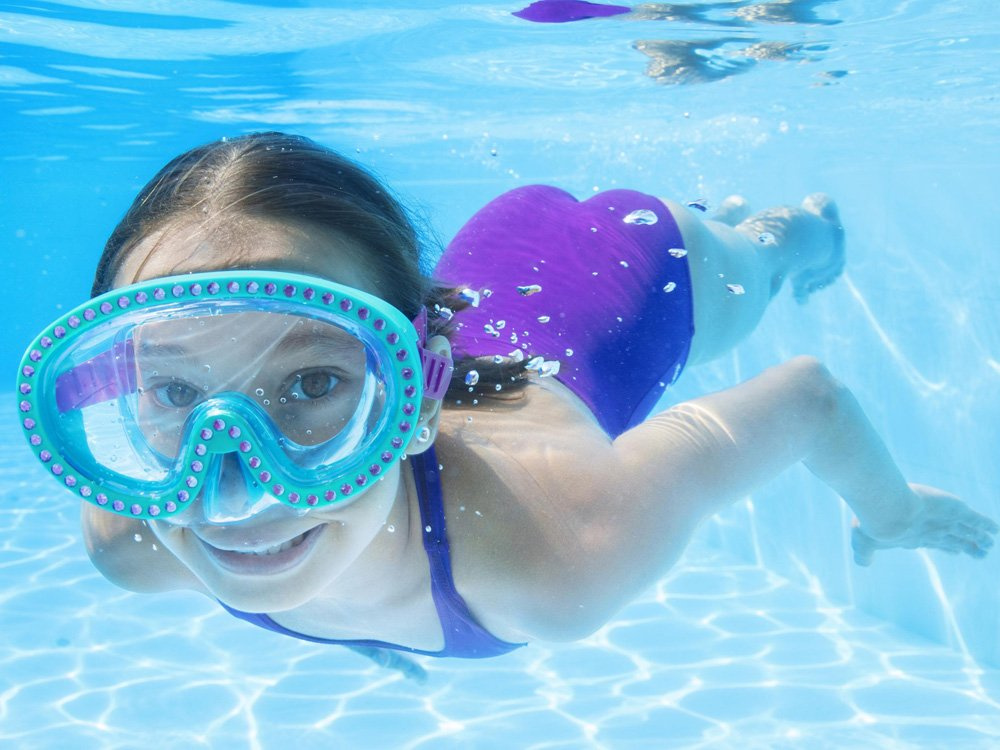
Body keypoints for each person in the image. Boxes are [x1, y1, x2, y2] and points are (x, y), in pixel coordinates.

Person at [17, 132, 996, 666]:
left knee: (761, 267)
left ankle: (779, 234)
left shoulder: (563, 552)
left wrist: (895, 514)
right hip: (475, 288)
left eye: (312, 383)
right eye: (176, 388)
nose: (235, 487)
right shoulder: (135, 534)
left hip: (623, 273)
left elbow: (809, 399)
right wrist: (347, 622)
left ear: (420, 392)